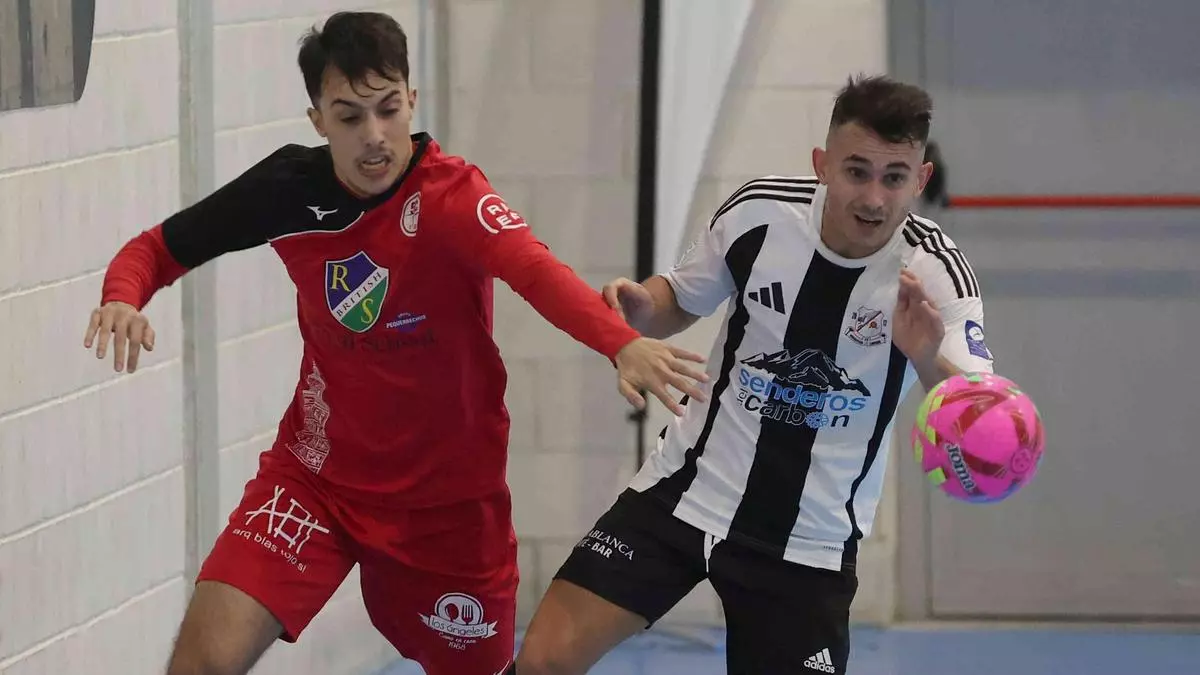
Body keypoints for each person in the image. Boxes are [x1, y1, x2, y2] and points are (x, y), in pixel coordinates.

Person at [81, 11, 708, 675]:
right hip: (316, 480)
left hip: (447, 509)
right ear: (318, 120)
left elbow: (536, 271)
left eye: (387, 108)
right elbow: (156, 248)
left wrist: (620, 342)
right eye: (350, 117)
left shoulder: (453, 197)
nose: (374, 136)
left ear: (411, 98)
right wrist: (122, 296)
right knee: (200, 663)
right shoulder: (286, 191)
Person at [509, 75, 998, 675]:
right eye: (856, 171)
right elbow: (678, 298)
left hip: (809, 539)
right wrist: (640, 307)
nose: (873, 198)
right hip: (685, 491)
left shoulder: (937, 272)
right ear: (822, 164)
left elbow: (976, 410)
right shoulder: (759, 212)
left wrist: (924, 354)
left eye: (894, 177)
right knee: (542, 662)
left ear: (920, 179)